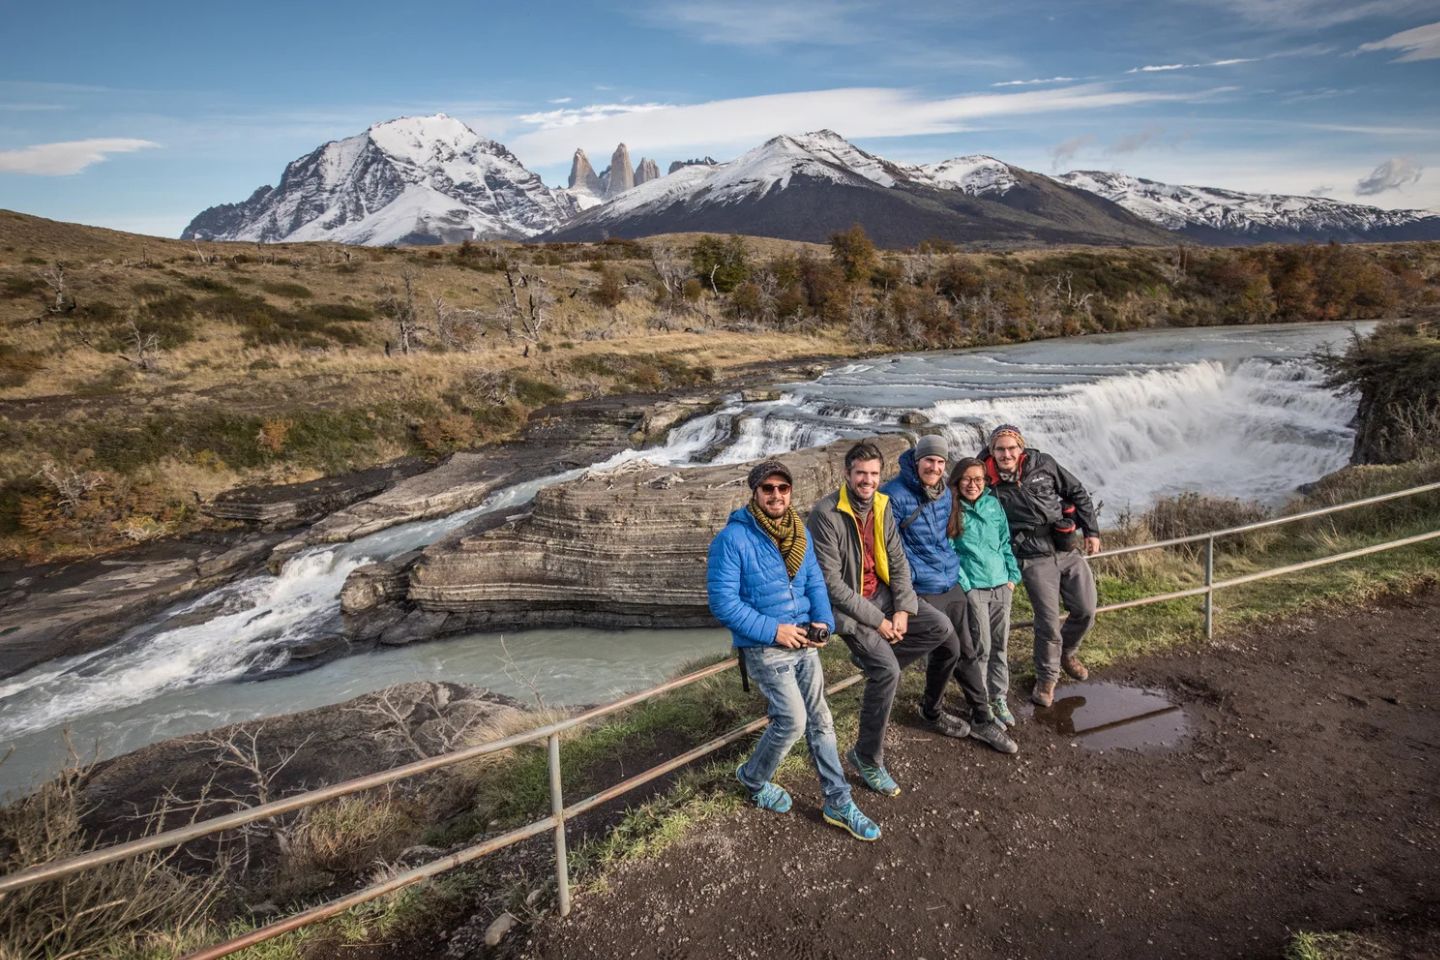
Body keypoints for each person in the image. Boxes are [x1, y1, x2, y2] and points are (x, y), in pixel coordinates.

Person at [706, 457, 881, 842]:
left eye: (782, 488)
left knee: (822, 720)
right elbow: (723, 602)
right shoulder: (732, 539)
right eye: (768, 488)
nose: (776, 495)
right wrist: (774, 630)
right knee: (793, 721)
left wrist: (824, 622)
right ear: (755, 492)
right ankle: (753, 778)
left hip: (805, 641)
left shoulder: (797, 530)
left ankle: (838, 800)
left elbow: (815, 581)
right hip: (767, 647)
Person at [879, 435, 1018, 753]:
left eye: (941, 462)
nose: (935, 466)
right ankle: (947, 713)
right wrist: (903, 591)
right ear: (917, 460)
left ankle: (963, 716)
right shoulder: (892, 496)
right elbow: (885, 548)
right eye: (929, 460)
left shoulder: (945, 493)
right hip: (922, 588)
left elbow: (959, 524)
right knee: (953, 648)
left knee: (962, 650)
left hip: (949, 580)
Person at [979, 425, 1100, 708]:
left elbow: (1077, 491)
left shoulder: (1043, 463)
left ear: (1021, 448)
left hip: (1066, 547)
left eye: (1012, 448)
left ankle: (1067, 653)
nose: (1006, 454)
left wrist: (1091, 531)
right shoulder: (985, 479)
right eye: (1000, 449)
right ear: (992, 451)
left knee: (1085, 610)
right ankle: (1047, 679)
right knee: (1047, 622)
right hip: (1031, 558)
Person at [948, 456, 1023, 727]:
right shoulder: (952, 507)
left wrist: (1013, 576)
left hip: (1002, 584)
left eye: (978, 479)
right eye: (967, 479)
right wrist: (967, 587)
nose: (973, 484)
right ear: (957, 480)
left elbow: (1004, 540)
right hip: (976, 588)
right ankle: (979, 704)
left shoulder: (993, 504)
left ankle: (999, 697)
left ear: (985, 481)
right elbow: (951, 552)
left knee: (1000, 645)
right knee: (982, 647)